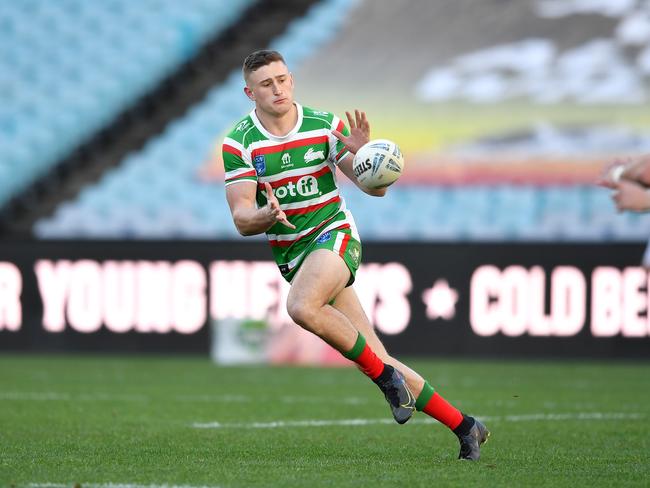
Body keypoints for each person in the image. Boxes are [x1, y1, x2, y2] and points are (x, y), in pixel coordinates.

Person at [222, 49, 489, 460]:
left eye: (282, 79)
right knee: (377, 354)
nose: (277, 89)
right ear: (249, 92)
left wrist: (367, 159)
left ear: (291, 80)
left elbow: (373, 188)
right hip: (295, 256)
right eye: (266, 84)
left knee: (301, 306)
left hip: (334, 236)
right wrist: (263, 214)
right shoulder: (239, 141)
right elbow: (241, 218)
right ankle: (465, 426)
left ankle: (385, 381)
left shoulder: (325, 125)